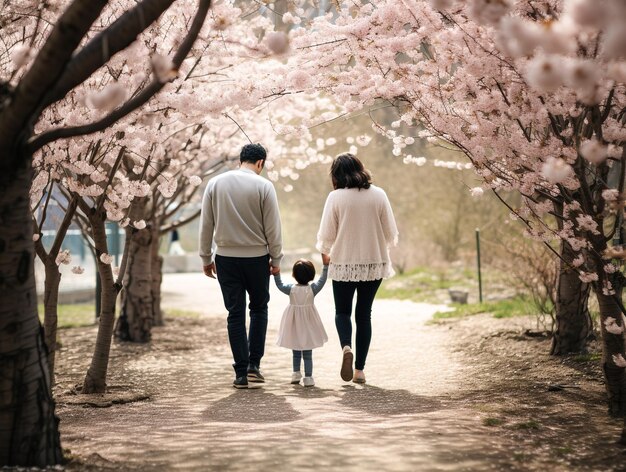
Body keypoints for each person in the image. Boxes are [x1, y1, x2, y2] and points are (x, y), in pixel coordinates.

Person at [199, 143, 283, 389]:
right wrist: (276, 259)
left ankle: (240, 373)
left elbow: (207, 224)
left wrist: (206, 257)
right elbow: (273, 228)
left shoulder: (215, 183)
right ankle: (254, 366)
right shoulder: (264, 186)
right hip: (257, 258)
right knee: (258, 309)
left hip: (226, 258)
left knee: (235, 314)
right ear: (260, 163)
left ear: (241, 160)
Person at [317, 153, 398, 384]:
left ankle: (346, 347)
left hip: (343, 262)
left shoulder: (335, 198)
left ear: (336, 175)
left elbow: (326, 235)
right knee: (364, 315)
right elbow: (390, 232)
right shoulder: (379, 194)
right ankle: (360, 370)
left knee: (342, 312)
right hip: (374, 262)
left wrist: (325, 253)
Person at [274, 258, 330, 387]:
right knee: (307, 352)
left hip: (293, 322)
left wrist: (276, 274)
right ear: (311, 275)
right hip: (308, 324)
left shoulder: (291, 289)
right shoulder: (313, 289)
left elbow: (280, 285)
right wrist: (326, 266)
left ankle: (295, 373)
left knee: (296, 350)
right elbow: (322, 280)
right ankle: (308, 377)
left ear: (294, 274)